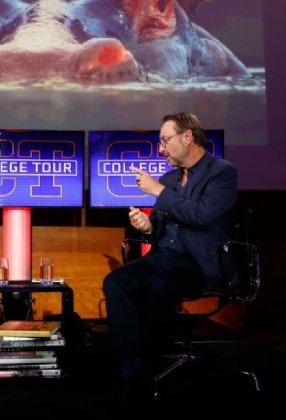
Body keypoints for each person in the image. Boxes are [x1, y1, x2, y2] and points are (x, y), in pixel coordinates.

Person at [103, 112, 238, 395]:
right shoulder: (169, 178)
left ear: (187, 137)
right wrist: (147, 226)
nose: (161, 149)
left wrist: (158, 191)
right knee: (116, 281)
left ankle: (150, 363)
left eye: (165, 140)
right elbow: (160, 228)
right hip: (163, 257)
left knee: (159, 285)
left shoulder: (222, 173)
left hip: (198, 262)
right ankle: (130, 367)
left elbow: (202, 216)